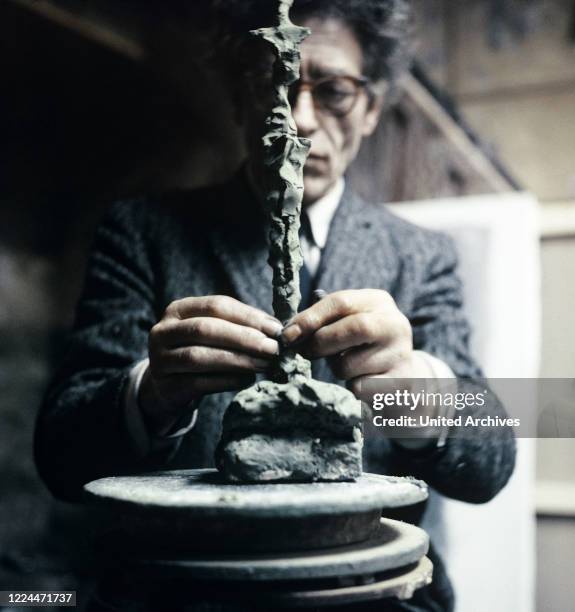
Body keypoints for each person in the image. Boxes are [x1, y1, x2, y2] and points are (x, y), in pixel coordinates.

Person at [34, 1, 515, 610]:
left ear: (369, 109)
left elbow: (491, 465)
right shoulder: (141, 231)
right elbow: (60, 456)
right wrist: (149, 392)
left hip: (380, 595)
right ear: (239, 97)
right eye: (274, 82)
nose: (299, 119)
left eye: (334, 92)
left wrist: (417, 390)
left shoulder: (420, 256)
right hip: (189, 594)